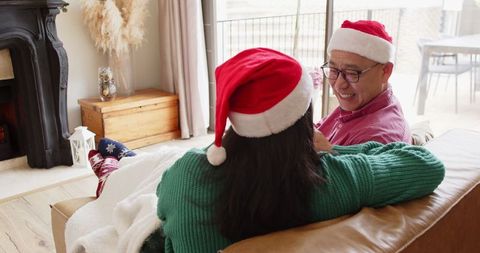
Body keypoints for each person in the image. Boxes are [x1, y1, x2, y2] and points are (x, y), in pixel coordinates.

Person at [140, 47, 445, 253]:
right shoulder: (332, 179)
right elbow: (427, 164)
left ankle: (107, 163)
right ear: (304, 121)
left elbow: (162, 207)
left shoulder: (187, 177)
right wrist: (333, 151)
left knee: (126, 168)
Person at [315, 20, 411, 148]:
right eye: (333, 70)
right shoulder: (360, 103)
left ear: (385, 71)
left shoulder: (377, 139)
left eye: (352, 73)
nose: (339, 85)